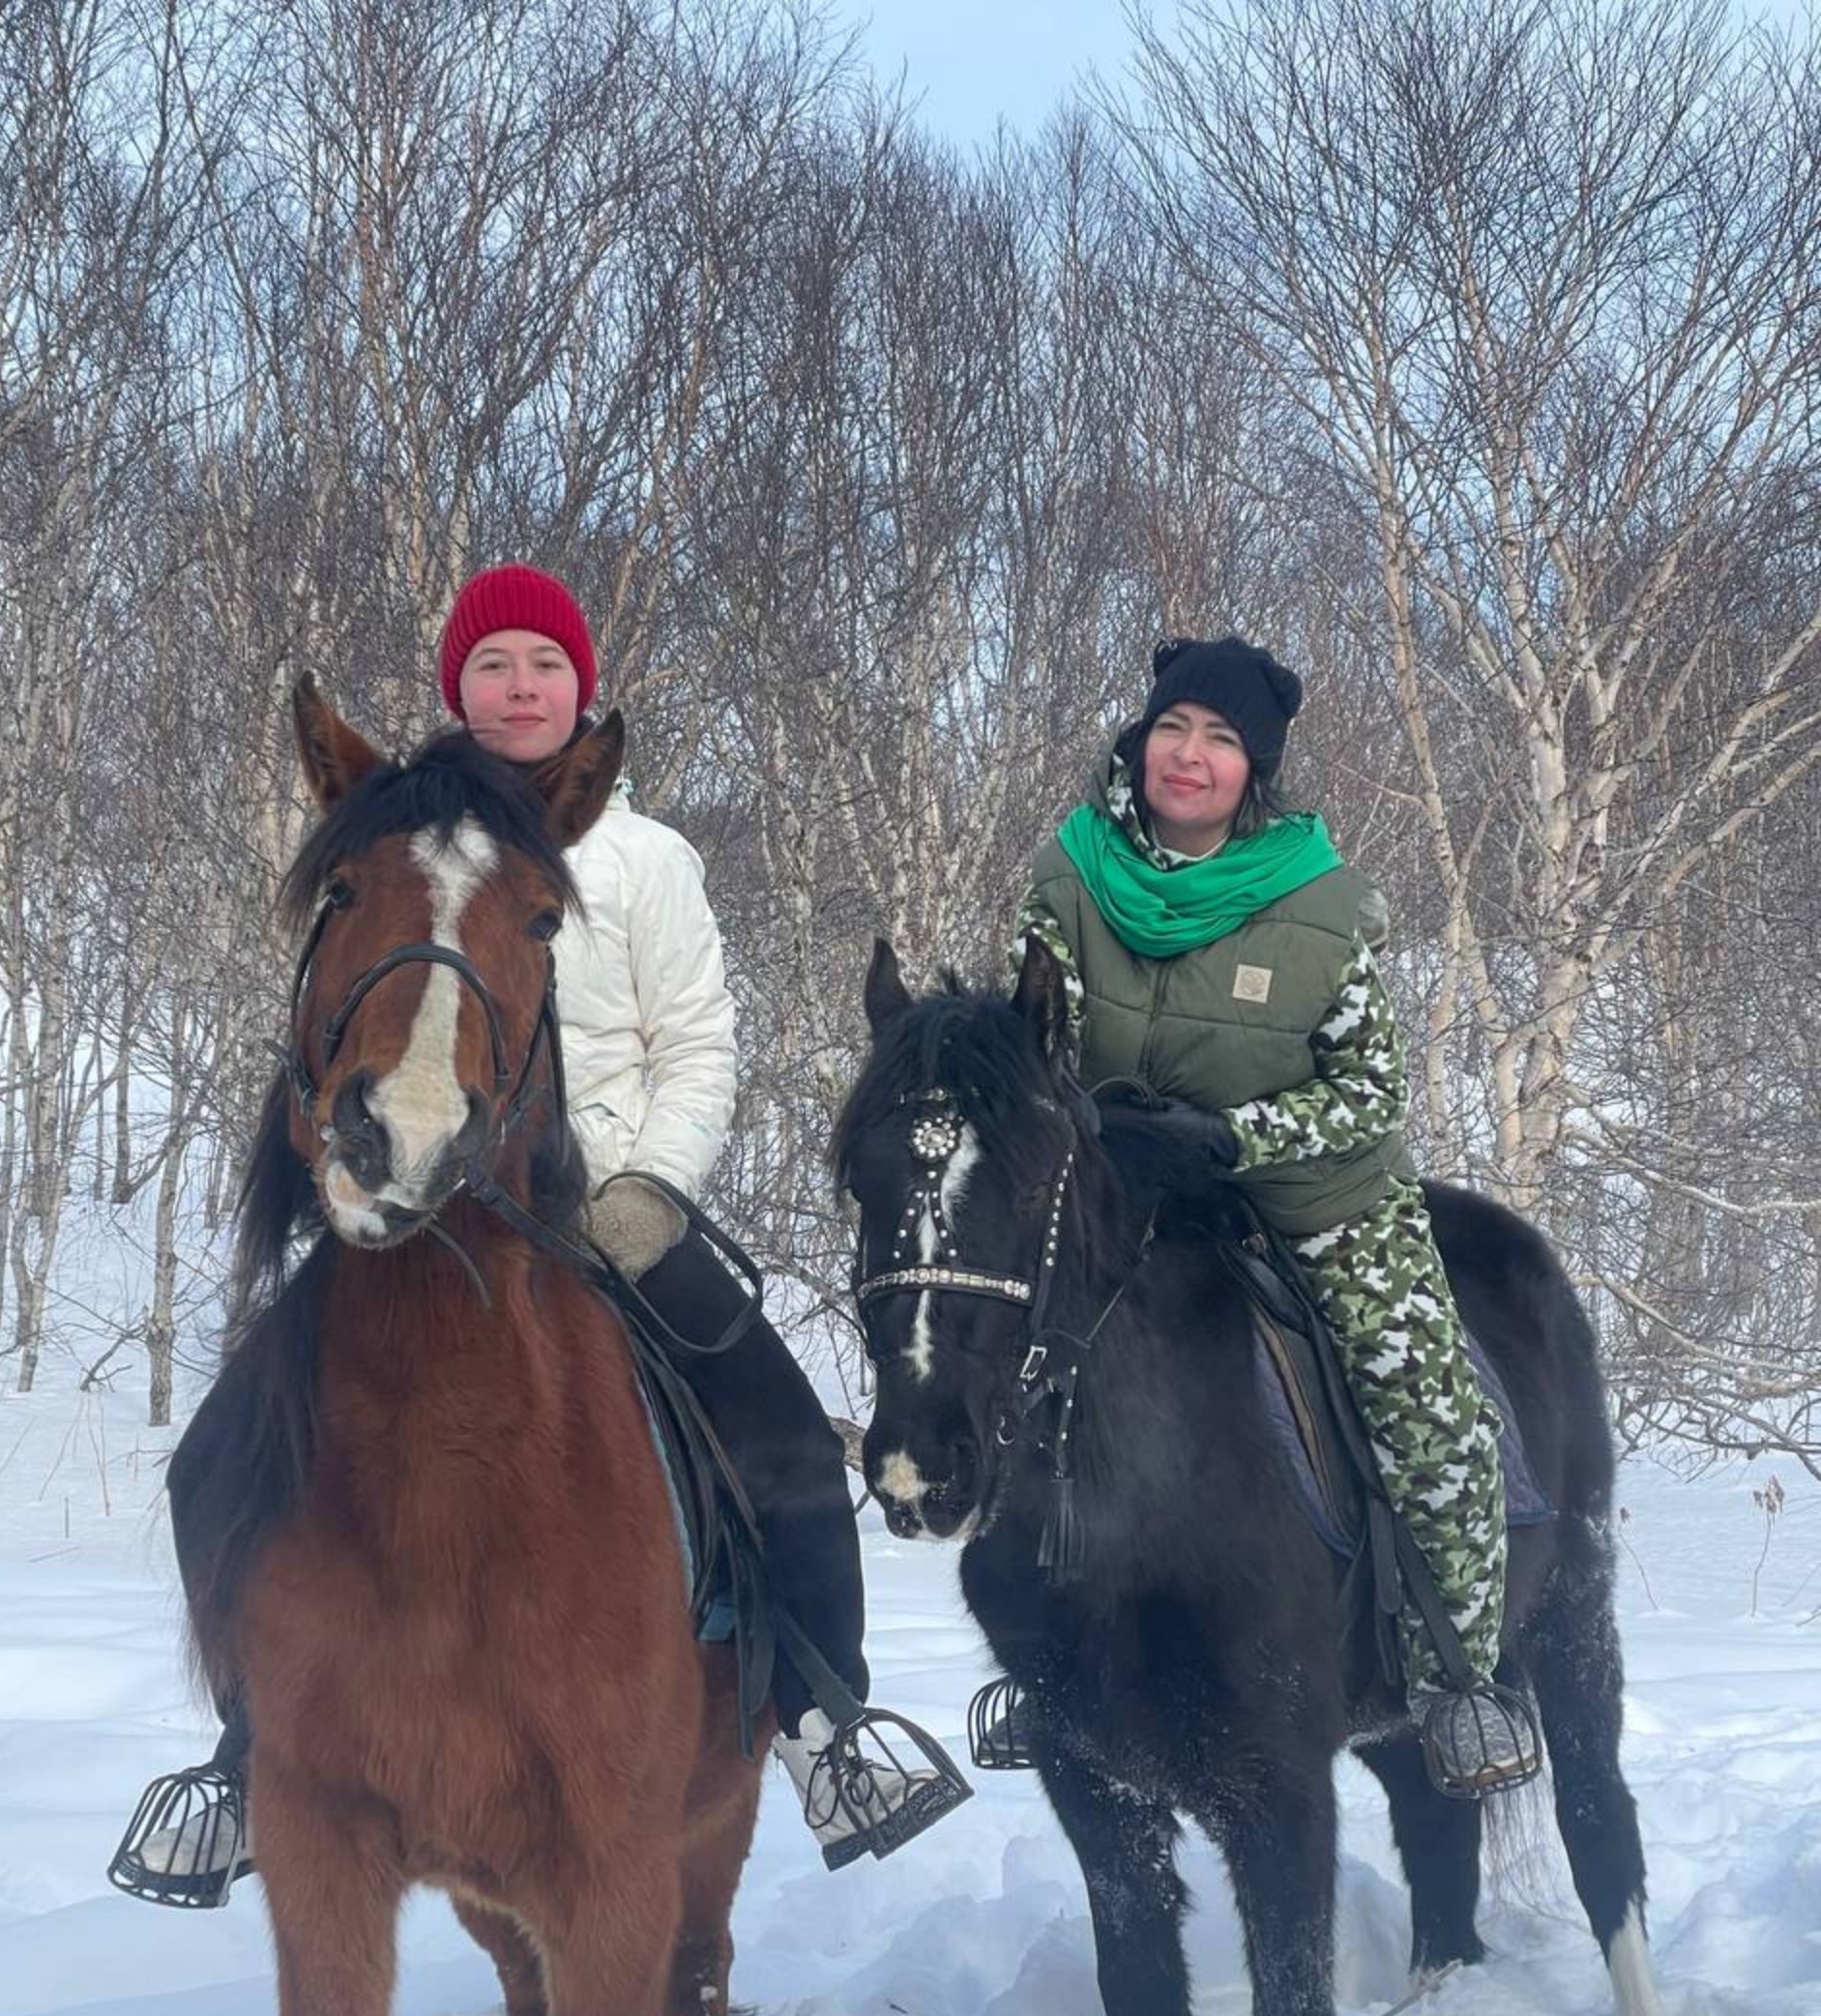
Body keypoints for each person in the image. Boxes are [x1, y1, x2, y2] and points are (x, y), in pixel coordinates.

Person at [113, 564, 968, 1904]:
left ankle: (820, 1719)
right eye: (495, 664)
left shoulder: (643, 856)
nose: (522, 687)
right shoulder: (406, 833)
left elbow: (698, 1048)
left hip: (615, 1217)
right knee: (222, 1451)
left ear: (582, 690)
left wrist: (653, 1188)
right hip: (427, 1218)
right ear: (458, 686)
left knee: (787, 1440)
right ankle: (251, 1745)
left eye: (546, 666)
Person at [1011, 633, 1540, 1797]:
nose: (1188, 756)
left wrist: (1235, 1138)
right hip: (1128, 1188)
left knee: (1428, 1405)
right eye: (1171, 729)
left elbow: (1373, 1091)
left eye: (1220, 740)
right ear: (1139, 740)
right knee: (1008, 1350)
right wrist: (1089, 1133)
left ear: (1257, 769)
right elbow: (1030, 1048)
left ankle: (1460, 1679)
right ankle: (1043, 1652)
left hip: (1315, 1196)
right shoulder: (1067, 880)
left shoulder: (1321, 903)